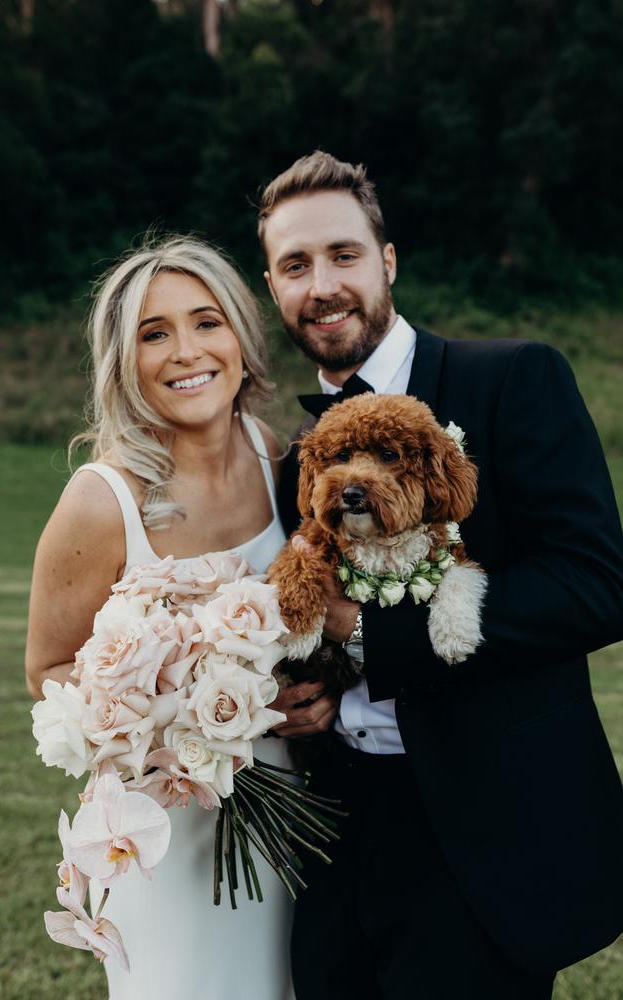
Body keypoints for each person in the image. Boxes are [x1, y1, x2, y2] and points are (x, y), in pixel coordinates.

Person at [257, 151, 623, 1000]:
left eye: (344, 254)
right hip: (333, 835)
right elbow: (303, 607)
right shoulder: (294, 461)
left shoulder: (513, 379)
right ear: (274, 288)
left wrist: (367, 631)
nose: (324, 285)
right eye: (295, 265)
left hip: (482, 843)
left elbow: (594, 584)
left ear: (386, 261)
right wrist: (296, 695)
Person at [25, 235, 332, 1000]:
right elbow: (48, 670)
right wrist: (185, 716)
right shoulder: (102, 502)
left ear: (240, 335)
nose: (185, 351)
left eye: (206, 322)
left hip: (299, 809)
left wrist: (312, 694)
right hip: (169, 829)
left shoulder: (278, 458)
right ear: (121, 361)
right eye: (153, 334)